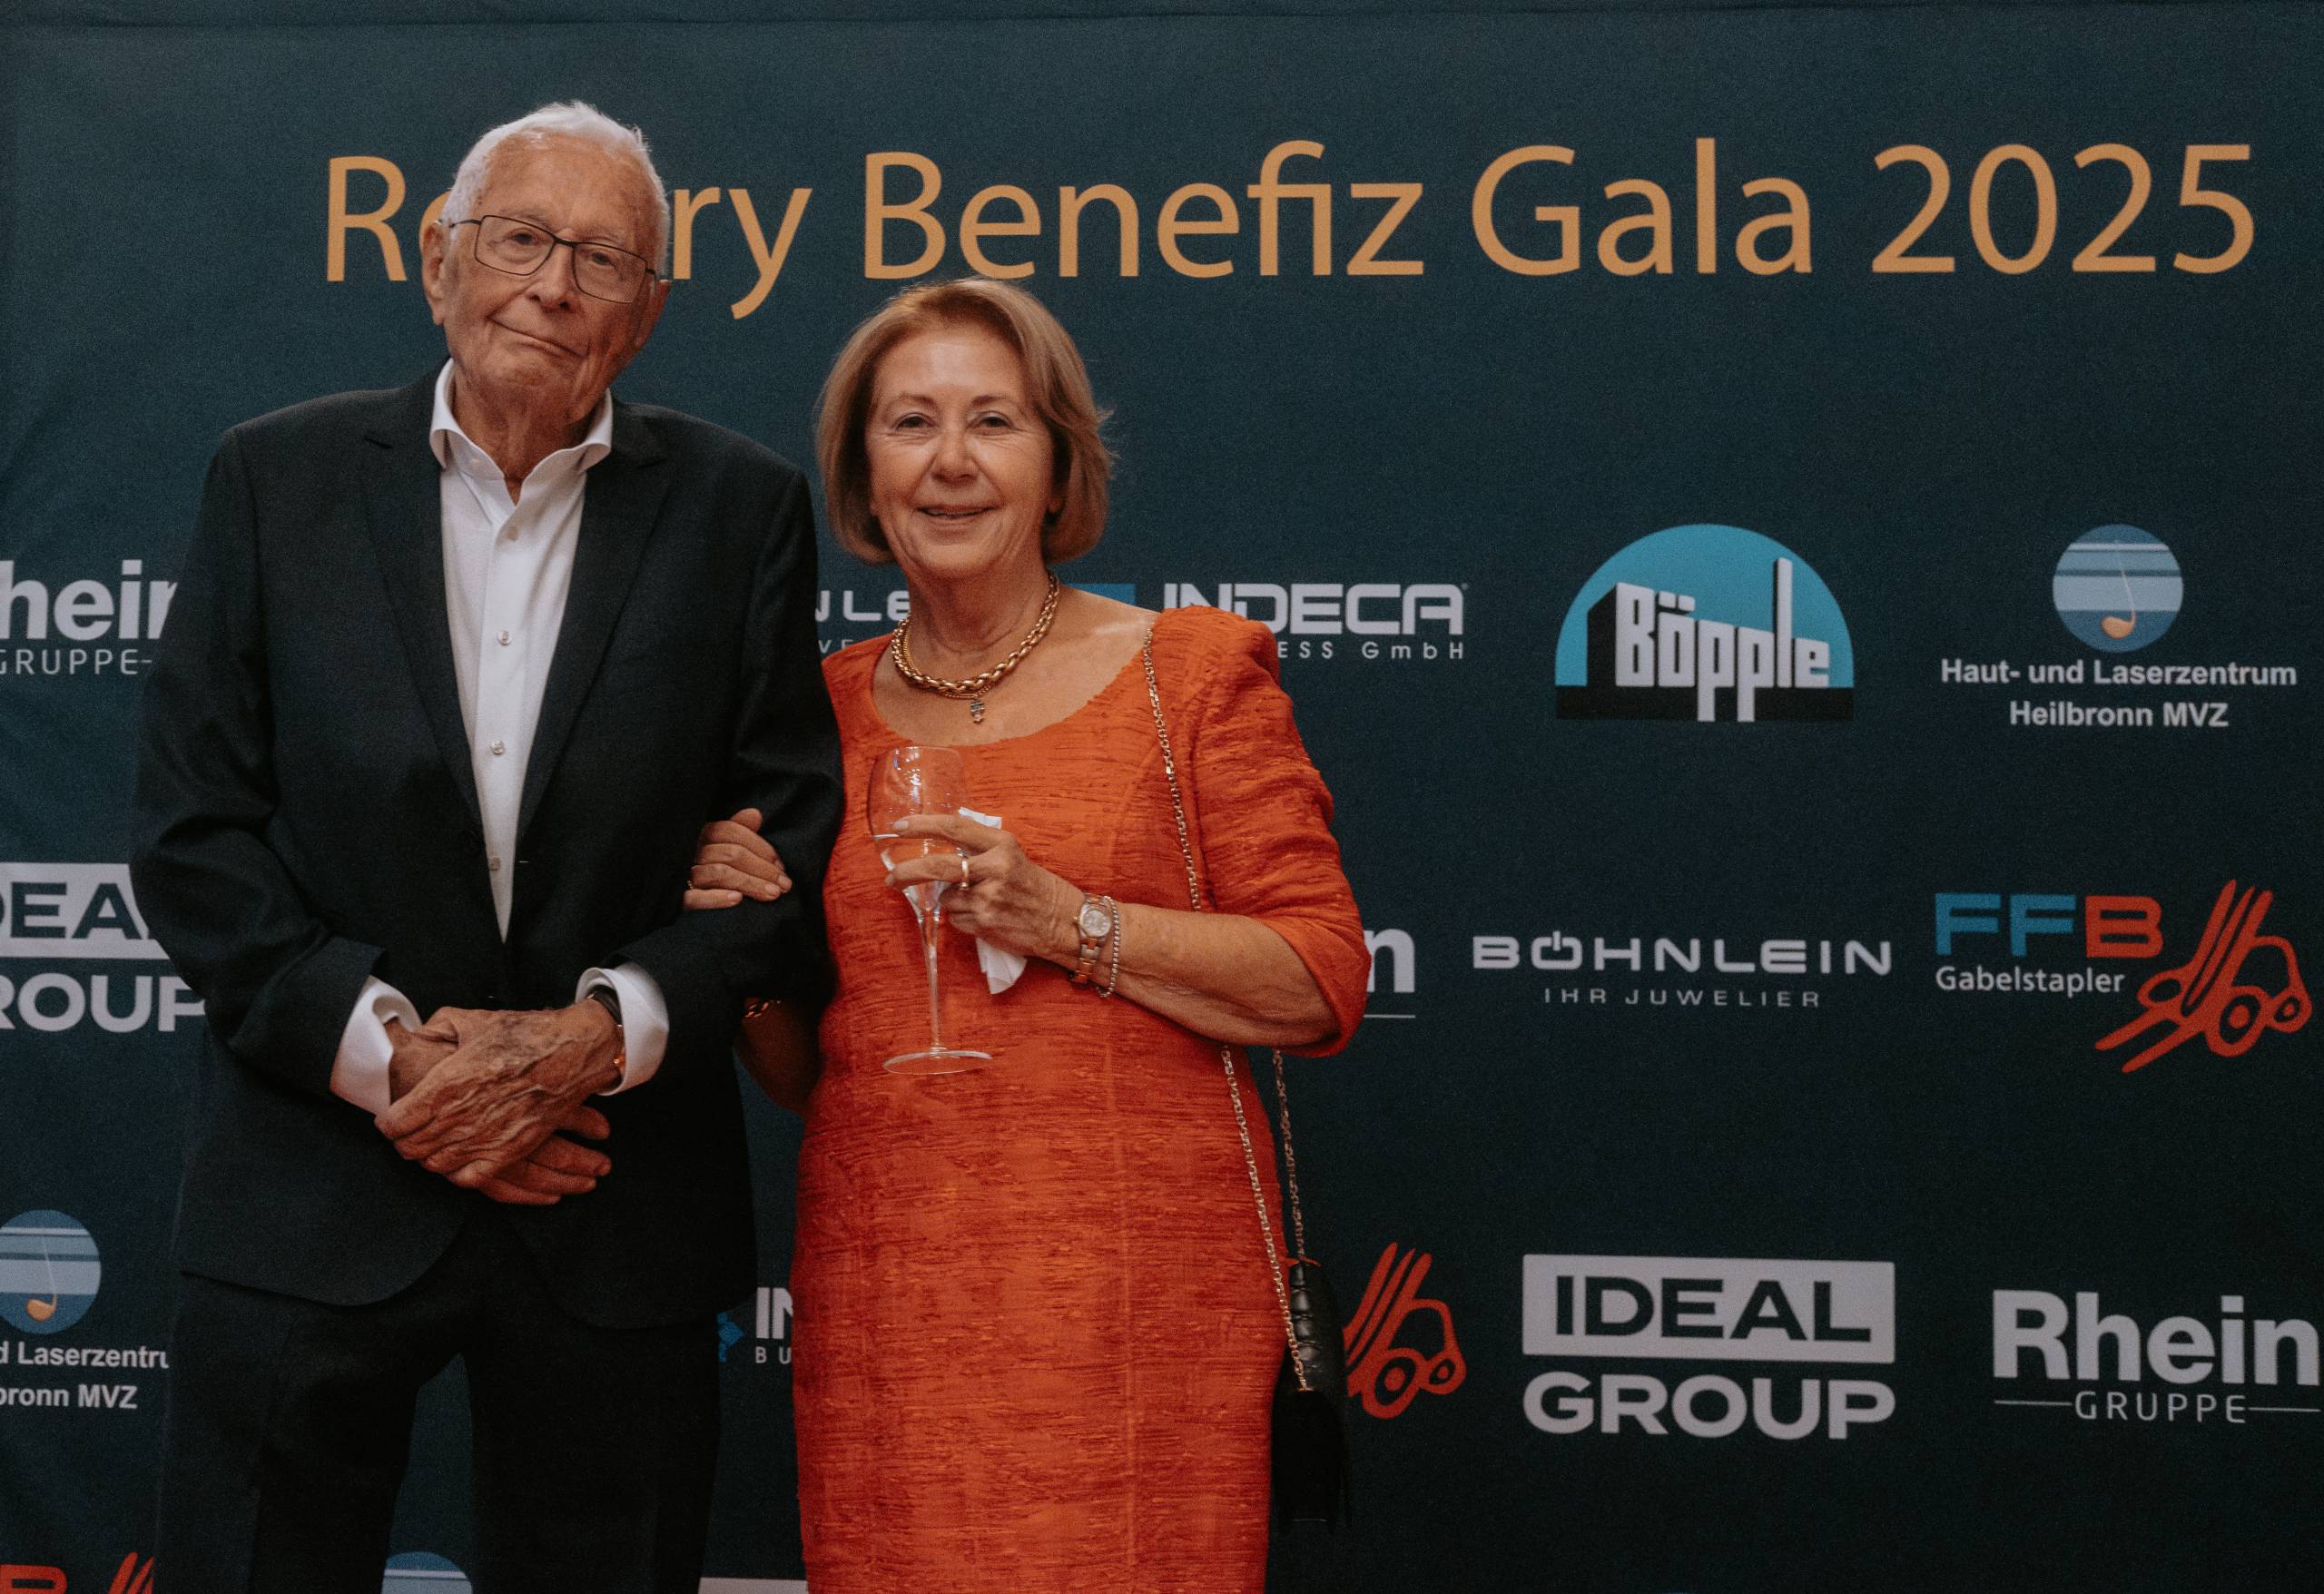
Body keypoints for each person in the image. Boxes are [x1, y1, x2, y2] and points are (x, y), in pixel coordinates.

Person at [130, 102, 842, 1593]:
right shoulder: (273, 480)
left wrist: (589, 1041)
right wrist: (402, 1064)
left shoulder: (743, 511)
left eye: (603, 259)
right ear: (436, 260)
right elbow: (197, 834)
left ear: (647, 314)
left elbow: (781, 855)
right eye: (519, 238)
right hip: (312, 1183)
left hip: (613, 1197)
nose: (553, 285)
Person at [682, 277, 1371, 1591]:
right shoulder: (810, 718)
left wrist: (1069, 920)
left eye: (992, 421)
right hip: (894, 1306)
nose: (950, 462)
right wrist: (748, 952)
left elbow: (1317, 979)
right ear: (862, 475)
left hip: (1139, 1311)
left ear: (1058, 466)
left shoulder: (1189, 673)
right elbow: (822, 1073)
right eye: (910, 423)